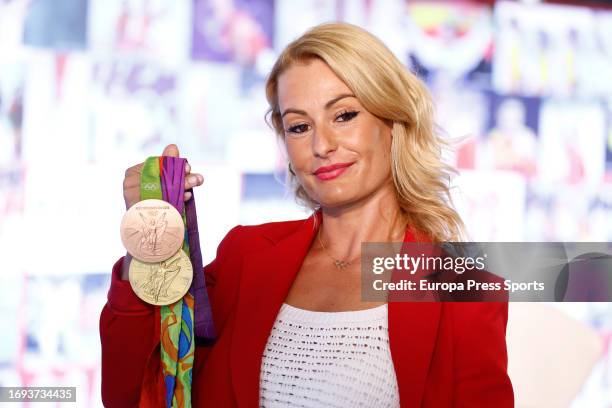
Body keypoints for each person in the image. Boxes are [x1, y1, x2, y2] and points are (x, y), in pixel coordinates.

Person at [100, 22, 514, 407]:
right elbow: (131, 393)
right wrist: (150, 239)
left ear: (393, 122)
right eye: (299, 126)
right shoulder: (246, 256)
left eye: (344, 115)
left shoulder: (465, 291)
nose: (322, 145)